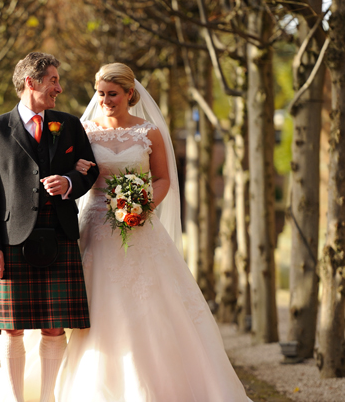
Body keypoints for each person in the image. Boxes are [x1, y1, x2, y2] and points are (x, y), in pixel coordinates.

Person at [53, 63, 252, 401]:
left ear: (130, 94)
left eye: (112, 94)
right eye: (100, 93)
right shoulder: (83, 132)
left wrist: (141, 207)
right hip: (97, 227)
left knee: (151, 306)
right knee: (99, 306)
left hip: (140, 226)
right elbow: (75, 173)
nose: (104, 100)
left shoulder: (149, 132)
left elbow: (162, 179)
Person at [0, 52, 98, 402]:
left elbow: (90, 170)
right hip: (11, 239)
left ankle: (48, 398)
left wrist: (70, 183)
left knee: (54, 325)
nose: (59, 87)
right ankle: (14, 399)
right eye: (53, 80)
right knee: (10, 327)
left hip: (58, 233)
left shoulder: (69, 124)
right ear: (32, 82)